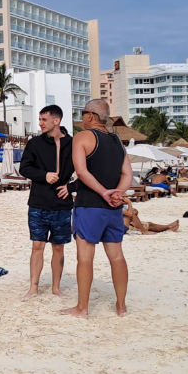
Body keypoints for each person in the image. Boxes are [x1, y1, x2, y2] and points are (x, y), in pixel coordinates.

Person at [63, 100, 131, 317]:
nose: (81, 118)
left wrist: (103, 192)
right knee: (117, 256)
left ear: (91, 116)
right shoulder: (117, 141)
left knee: (85, 257)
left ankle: (82, 307)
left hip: (90, 205)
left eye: (82, 114)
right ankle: (121, 306)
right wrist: (117, 193)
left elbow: (81, 172)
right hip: (113, 209)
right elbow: (127, 174)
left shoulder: (83, 137)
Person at [19, 104, 74, 299]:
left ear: (56, 121)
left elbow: (85, 171)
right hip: (38, 203)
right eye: (40, 119)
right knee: (37, 246)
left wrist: (71, 187)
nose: (40, 123)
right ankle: (33, 287)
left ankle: (56, 287)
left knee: (59, 247)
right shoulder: (34, 144)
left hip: (62, 205)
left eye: (44, 120)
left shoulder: (72, 144)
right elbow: (24, 168)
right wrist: (44, 175)